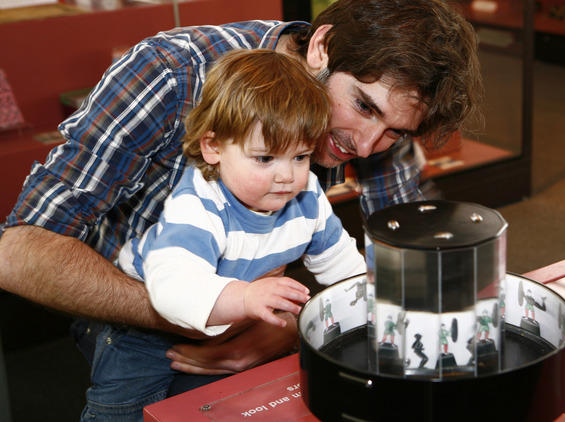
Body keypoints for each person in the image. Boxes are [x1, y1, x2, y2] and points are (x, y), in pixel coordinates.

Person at [0, 0, 481, 403]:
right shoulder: (170, 74)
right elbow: (17, 253)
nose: (368, 144)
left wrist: (290, 325)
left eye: (395, 131)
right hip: (134, 314)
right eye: (363, 106)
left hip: (266, 304)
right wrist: (211, 313)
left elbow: (405, 253)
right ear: (321, 48)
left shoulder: (378, 123)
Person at [79, 49, 365, 420]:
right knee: (124, 411)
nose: (286, 176)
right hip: (145, 334)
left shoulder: (306, 194)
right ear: (213, 147)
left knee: (219, 405)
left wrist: (364, 303)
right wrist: (246, 296)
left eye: (300, 156)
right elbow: (174, 289)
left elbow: (341, 262)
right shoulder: (198, 206)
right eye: (265, 158)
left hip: (230, 318)